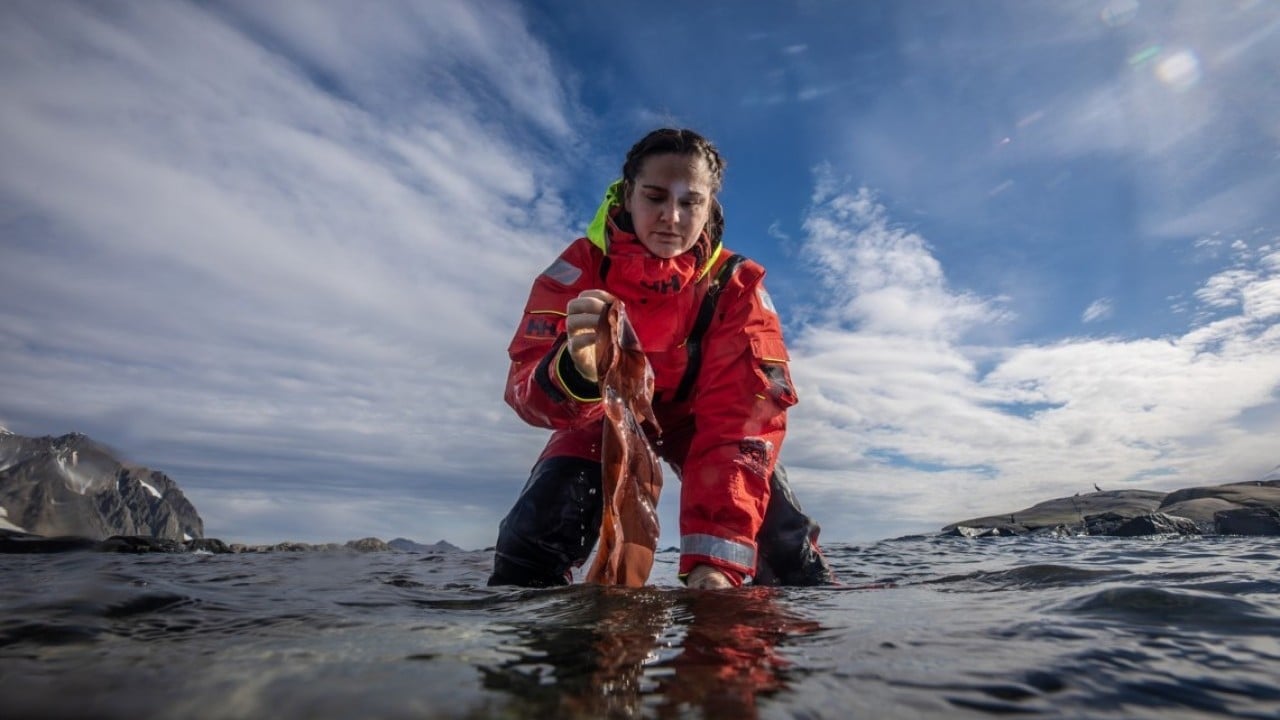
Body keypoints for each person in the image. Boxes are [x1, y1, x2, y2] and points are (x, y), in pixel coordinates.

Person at [488, 128, 833, 590]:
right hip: (605, 416)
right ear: (628, 195)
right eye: (655, 197)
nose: (671, 217)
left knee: (787, 552)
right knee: (531, 540)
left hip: (701, 423)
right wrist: (575, 371)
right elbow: (525, 389)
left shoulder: (737, 286)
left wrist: (716, 566)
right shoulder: (578, 268)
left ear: (709, 207)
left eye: (690, 202)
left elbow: (741, 421)